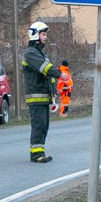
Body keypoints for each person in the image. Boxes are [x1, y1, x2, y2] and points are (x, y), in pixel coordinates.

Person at [23, 21, 69, 163]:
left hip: (44, 96)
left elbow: (48, 74)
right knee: (39, 125)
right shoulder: (30, 53)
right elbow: (45, 68)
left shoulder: (40, 52)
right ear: (35, 35)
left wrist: (54, 90)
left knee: (44, 125)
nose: (45, 37)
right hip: (36, 96)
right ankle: (36, 155)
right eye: (43, 34)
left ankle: (40, 151)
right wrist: (60, 74)